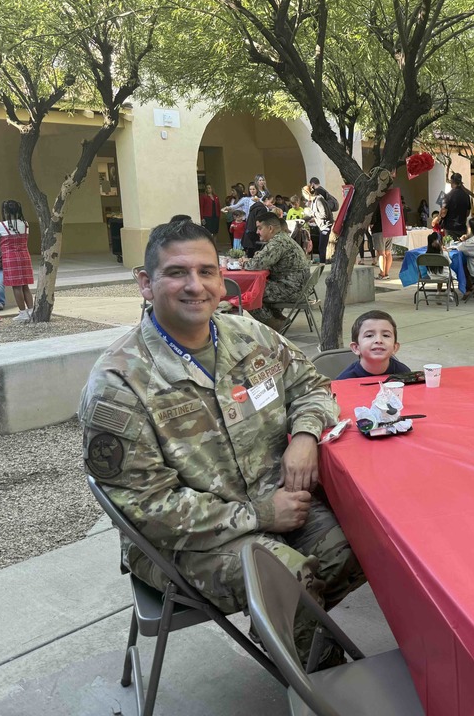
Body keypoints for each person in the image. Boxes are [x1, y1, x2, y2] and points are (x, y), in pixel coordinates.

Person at [80, 219, 362, 667]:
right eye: (177, 272)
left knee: (363, 545)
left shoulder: (251, 336)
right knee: (284, 579)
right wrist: (261, 515)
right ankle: (319, 674)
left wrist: (305, 436)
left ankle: (284, 631)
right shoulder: (118, 383)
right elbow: (148, 509)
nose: (196, 286)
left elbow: (312, 386)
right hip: (181, 542)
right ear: (146, 283)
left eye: (206, 271)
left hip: (274, 500)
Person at [242, 212, 311, 328]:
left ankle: (274, 323)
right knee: (257, 287)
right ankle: (278, 319)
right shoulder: (283, 238)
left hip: (291, 290)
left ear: (270, 228)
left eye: (260, 228)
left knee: (247, 291)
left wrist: (244, 262)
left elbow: (256, 264)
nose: (257, 232)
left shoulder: (278, 242)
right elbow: (264, 260)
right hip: (298, 288)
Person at [335, 310, 411, 379]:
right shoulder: (344, 381)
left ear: (395, 347)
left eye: (386, 335)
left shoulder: (404, 374)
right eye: (369, 335)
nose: (379, 340)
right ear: (356, 347)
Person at [0, 200, 34, 320]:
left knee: (16, 286)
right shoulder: (25, 224)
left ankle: (23, 313)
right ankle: (31, 310)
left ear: (5, 211)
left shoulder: (0, 225)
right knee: (25, 285)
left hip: (10, 258)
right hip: (24, 256)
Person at [302, 177, 338, 265]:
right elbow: (312, 214)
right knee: (321, 247)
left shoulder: (319, 200)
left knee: (322, 247)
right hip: (322, 226)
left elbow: (324, 215)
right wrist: (302, 220)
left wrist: (312, 213)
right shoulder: (314, 201)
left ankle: (323, 265)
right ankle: (323, 263)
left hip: (326, 226)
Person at [442, 173, 472, 239]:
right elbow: (468, 213)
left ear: (452, 181)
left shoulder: (448, 195)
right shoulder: (466, 196)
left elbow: (443, 213)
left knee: (450, 245)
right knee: (461, 245)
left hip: (450, 227)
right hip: (462, 227)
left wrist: (440, 216)